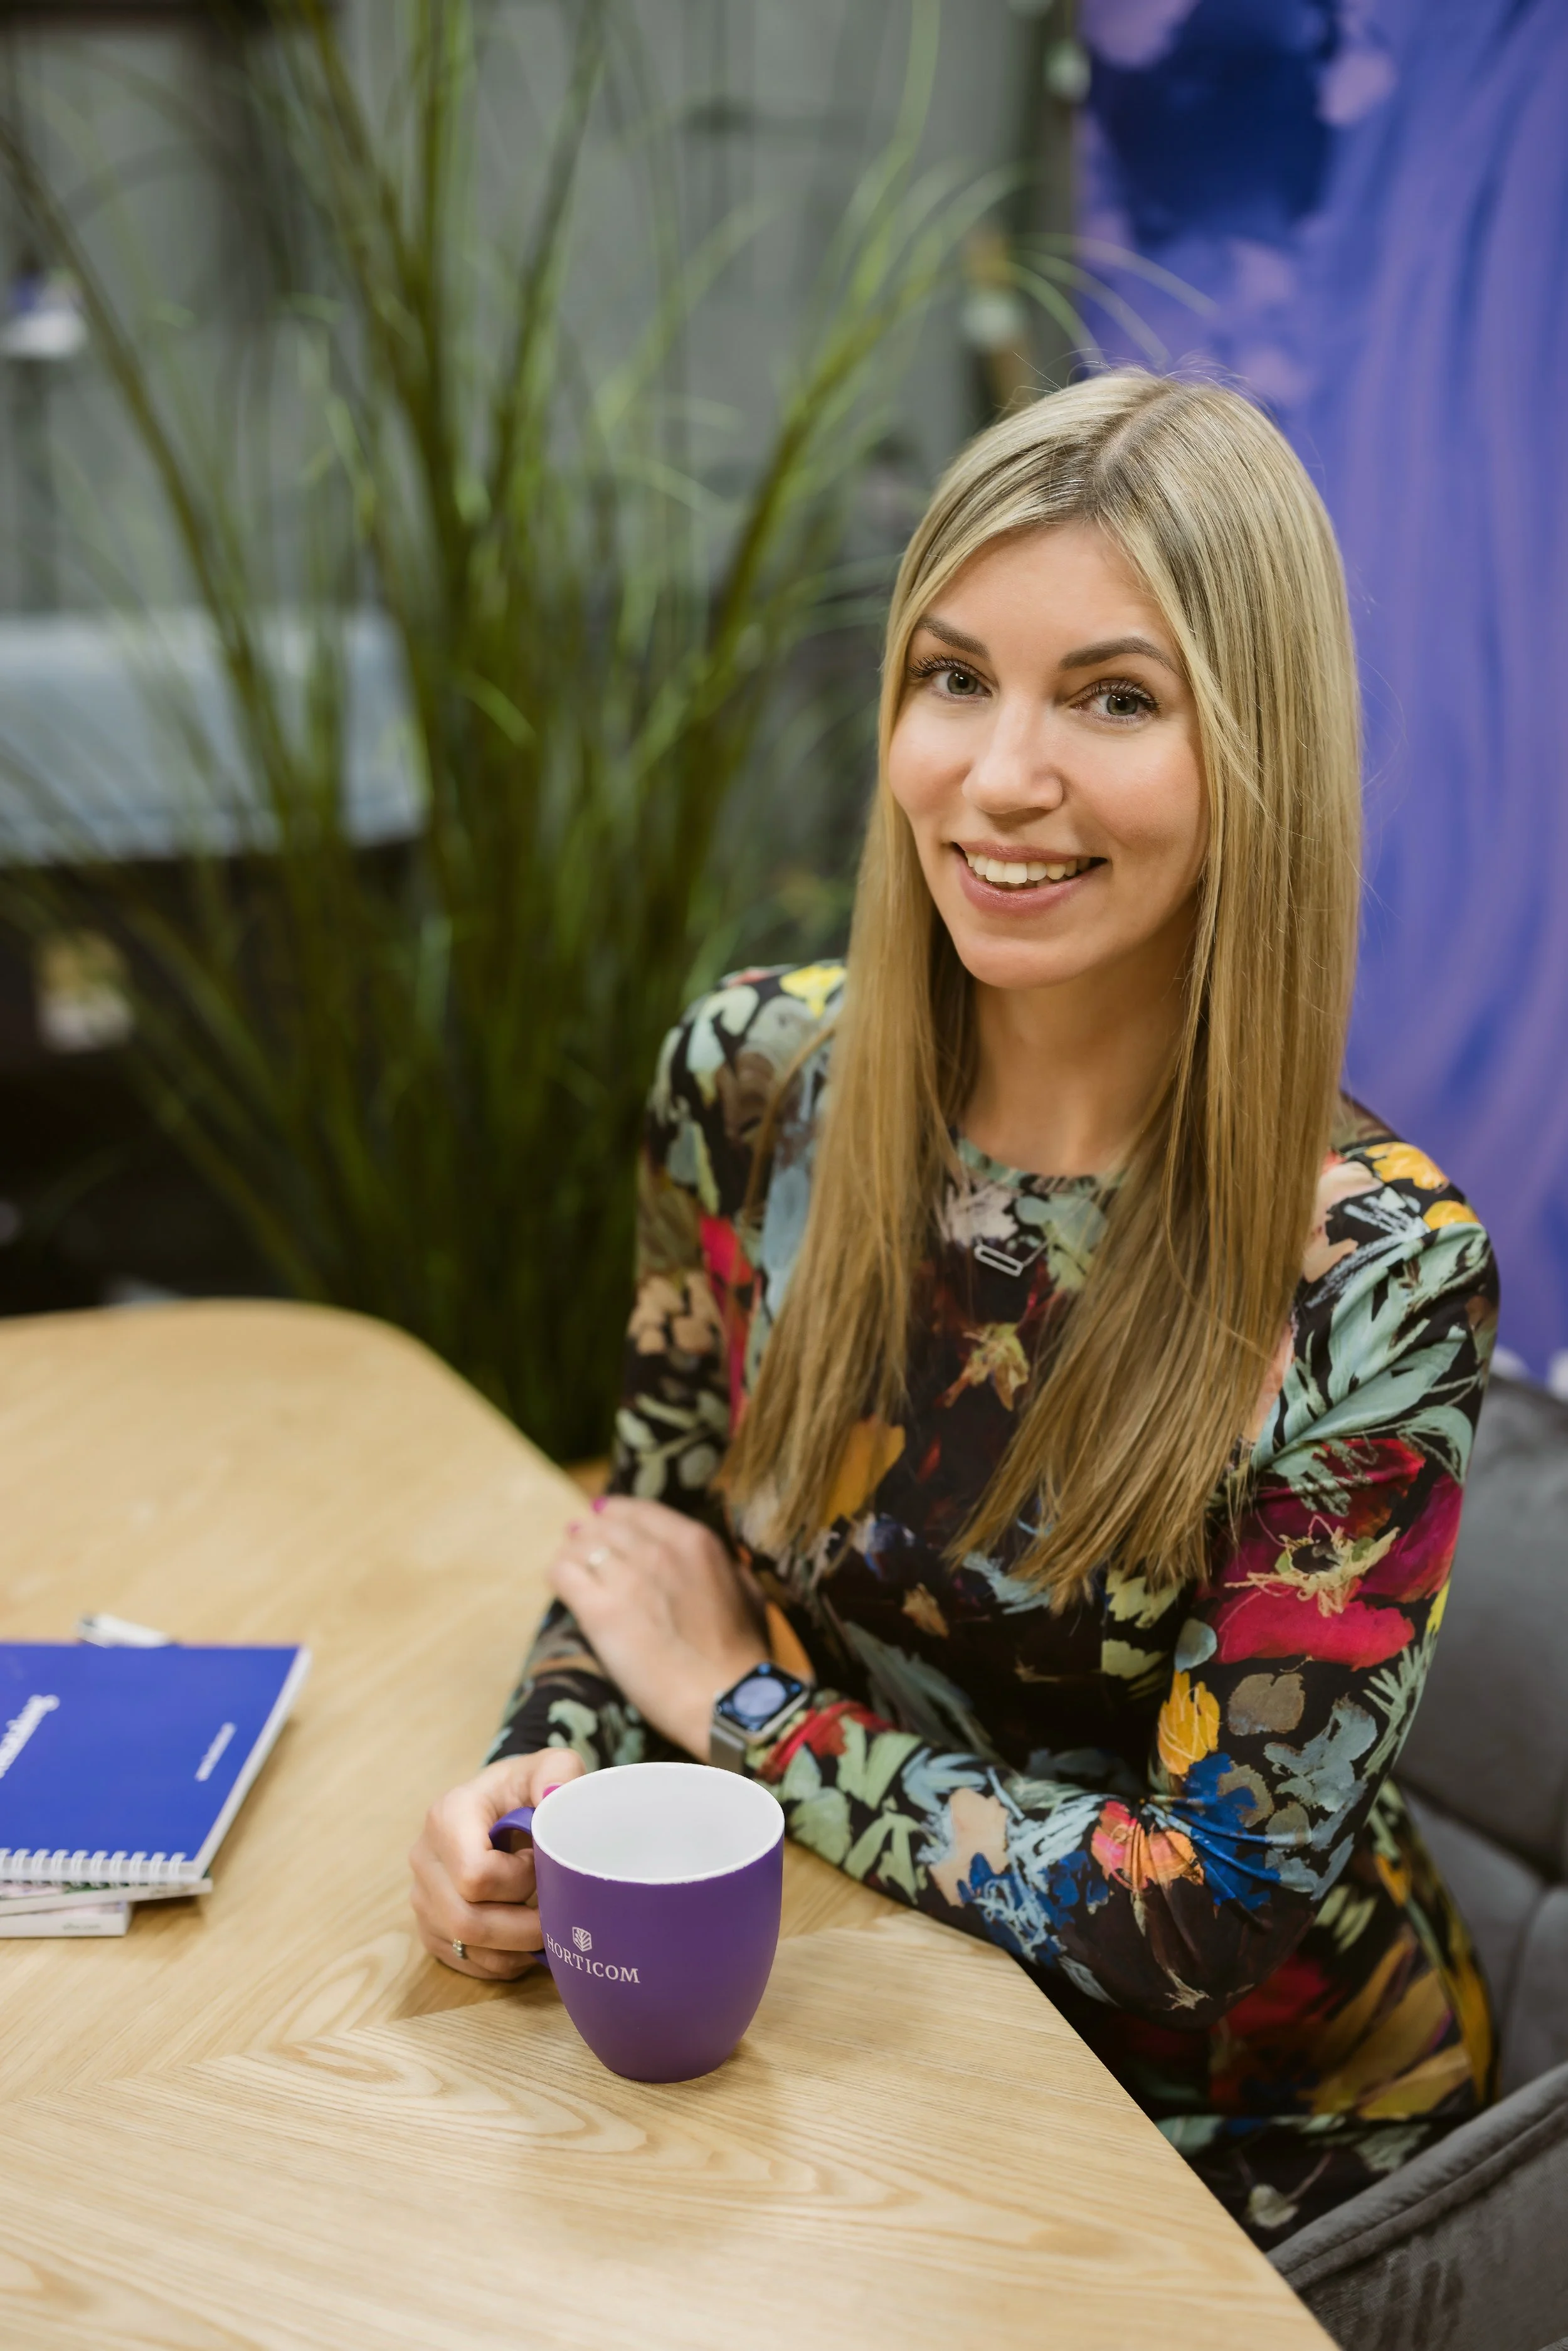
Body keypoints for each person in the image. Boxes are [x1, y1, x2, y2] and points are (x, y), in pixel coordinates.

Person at [409, 370, 1497, 2248]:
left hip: (1246, 2148)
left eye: (1113, 695)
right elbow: (659, 1529)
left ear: (1256, 756)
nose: (1000, 775)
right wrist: (548, 1783)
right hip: (865, 2007)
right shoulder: (751, 1078)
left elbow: (1196, 1907)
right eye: (951, 675)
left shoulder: (1376, 1271)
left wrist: (737, 1713)